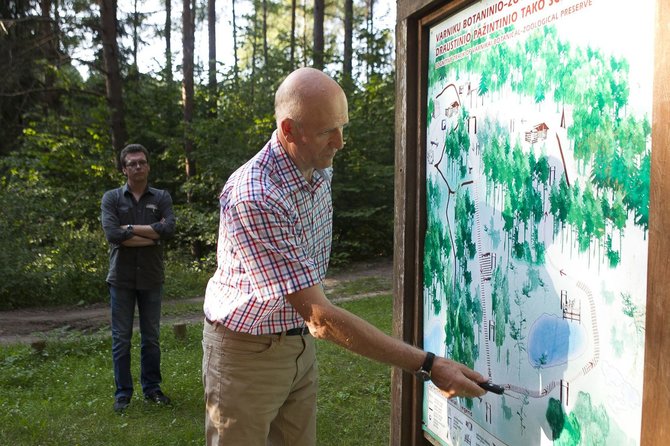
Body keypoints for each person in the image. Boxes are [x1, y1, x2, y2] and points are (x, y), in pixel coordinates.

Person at [202, 67, 487, 445]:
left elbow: (309, 322)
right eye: (326, 132)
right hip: (246, 354)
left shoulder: (317, 165)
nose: (340, 142)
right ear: (288, 130)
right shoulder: (255, 196)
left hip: (297, 343)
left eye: (342, 127)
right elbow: (320, 318)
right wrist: (429, 365)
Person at [101, 144, 176, 413]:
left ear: (148, 166)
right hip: (120, 278)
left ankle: (152, 389)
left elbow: (168, 230)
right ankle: (123, 395)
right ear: (124, 169)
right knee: (121, 338)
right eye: (132, 163)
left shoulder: (162, 197)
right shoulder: (111, 198)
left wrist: (129, 230)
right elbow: (112, 234)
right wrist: (150, 237)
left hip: (151, 278)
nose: (137, 167)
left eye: (142, 162)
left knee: (151, 338)